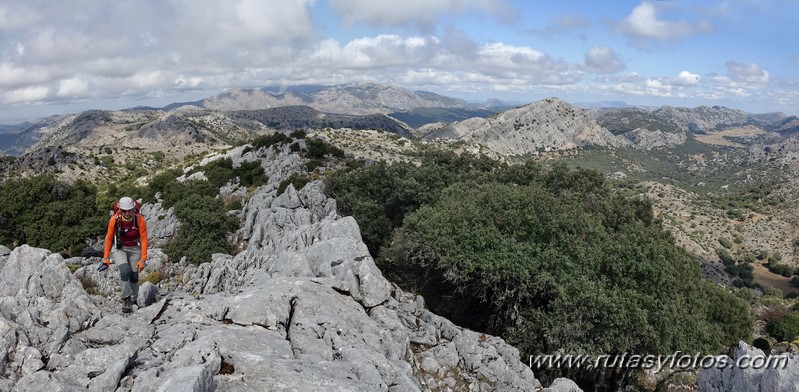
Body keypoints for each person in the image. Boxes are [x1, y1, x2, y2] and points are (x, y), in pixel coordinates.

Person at [101, 196, 148, 313]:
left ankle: (134, 299)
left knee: (134, 274)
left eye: (129, 210)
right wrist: (105, 258)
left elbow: (144, 239)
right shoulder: (114, 220)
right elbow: (109, 238)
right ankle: (126, 298)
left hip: (134, 247)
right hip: (119, 248)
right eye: (124, 211)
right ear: (120, 210)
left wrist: (143, 259)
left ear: (133, 209)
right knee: (124, 271)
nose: (127, 213)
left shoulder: (140, 220)